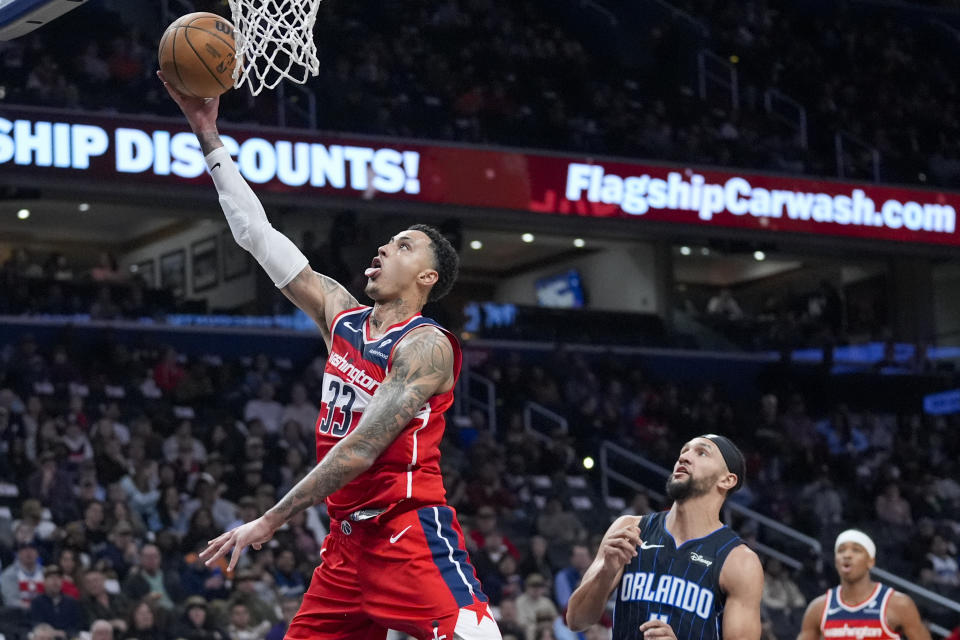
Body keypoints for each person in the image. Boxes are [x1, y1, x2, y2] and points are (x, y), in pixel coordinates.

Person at [158, 72, 500, 640]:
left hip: (408, 531)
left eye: (403, 246)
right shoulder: (340, 316)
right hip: (345, 543)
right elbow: (258, 236)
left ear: (427, 276)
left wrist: (272, 517)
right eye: (387, 241)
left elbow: (363, 448)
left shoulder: (426, 346)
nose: (384, 248)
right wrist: (207, 134)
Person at [566, 435, 763, 640]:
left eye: (702, 452)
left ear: (727, 480)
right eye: (684, 451)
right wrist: (606, 570)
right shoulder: (630, 528)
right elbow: (576, 620)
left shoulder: (739, 561)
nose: (684, 457)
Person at [796, 530, 930, 640]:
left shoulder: (898, 604)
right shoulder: (819, 608)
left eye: (856, 550)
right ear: (836, 561)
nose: (847, 555)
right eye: (841, 550)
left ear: (871, 562)